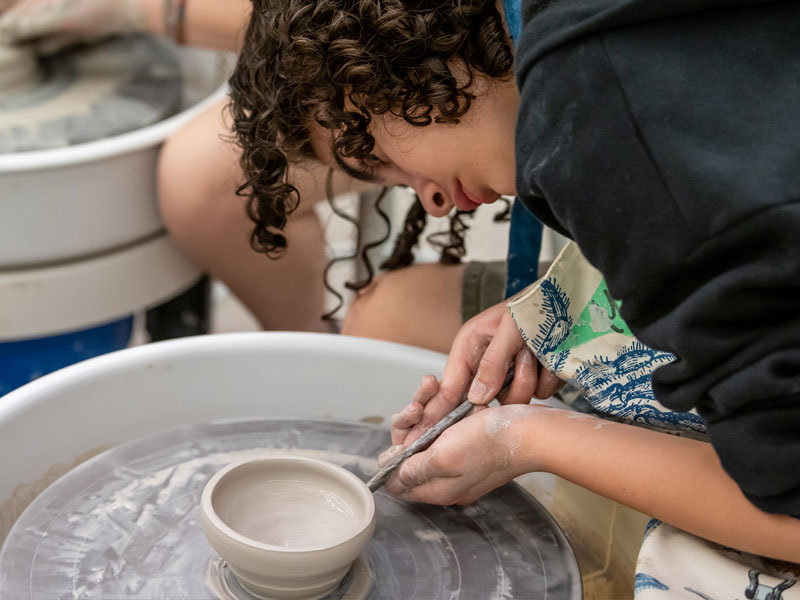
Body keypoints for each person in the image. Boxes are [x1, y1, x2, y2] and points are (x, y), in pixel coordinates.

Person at [226, 0, 800, 569]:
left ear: (391, 58)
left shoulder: (592, 117)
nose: (431, 199)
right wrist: (558, 305)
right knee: (388, 314)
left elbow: (790, 509)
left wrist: (525, 440)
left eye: (374, 151)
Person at [0, 0, 516, 348]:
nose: (433, 203)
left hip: (590, 281)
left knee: (384, 329)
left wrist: (142, 8)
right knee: (209, 177)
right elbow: (312, 29)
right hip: (496, 123)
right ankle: (303, 350)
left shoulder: (567, 93)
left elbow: (366, 29)